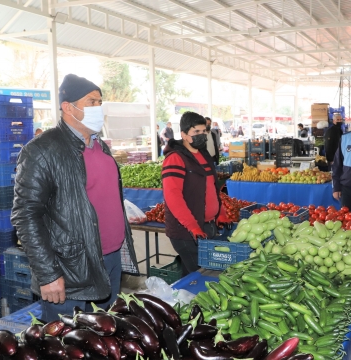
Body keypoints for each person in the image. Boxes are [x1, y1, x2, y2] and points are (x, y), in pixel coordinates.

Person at [12, 74, 139, 322]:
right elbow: (26, 215)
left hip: (111, 259)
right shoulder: (42, 150)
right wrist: (48, 273)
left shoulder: (101, 146)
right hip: (70, 268)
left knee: (107, 336)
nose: (98, 108)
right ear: (68, 107)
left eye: (100, 102)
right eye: (92, 102)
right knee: (70, 343)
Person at [162, 112, 232, 276]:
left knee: (195, 275)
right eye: (196, 132)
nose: (202, 136)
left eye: (204, 131)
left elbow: (212, 189)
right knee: (202, 274)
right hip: (186, 231)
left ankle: (188, 299)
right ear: (184, 135)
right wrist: (193, 226)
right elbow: (173, 197)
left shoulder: (204, 155)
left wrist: (220, 213)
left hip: (206, 226)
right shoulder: (175, 159)